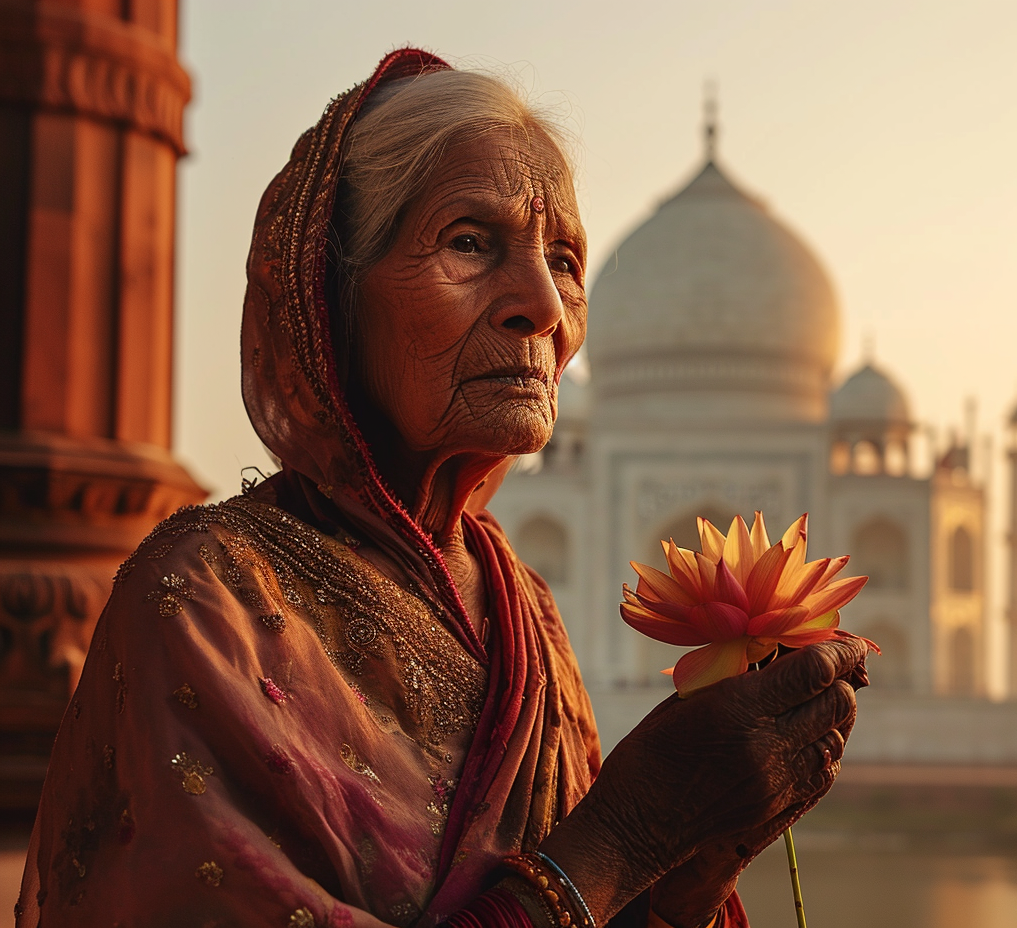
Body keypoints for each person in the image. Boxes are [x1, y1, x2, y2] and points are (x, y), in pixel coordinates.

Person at [17, 49, 868, 928]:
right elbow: (592, 868)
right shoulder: (205, 601)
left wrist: (694, 861)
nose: (542, 302)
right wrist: (627, 831)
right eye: (470, 242)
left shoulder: (522, 610)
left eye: (566, 260)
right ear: (330, 291)